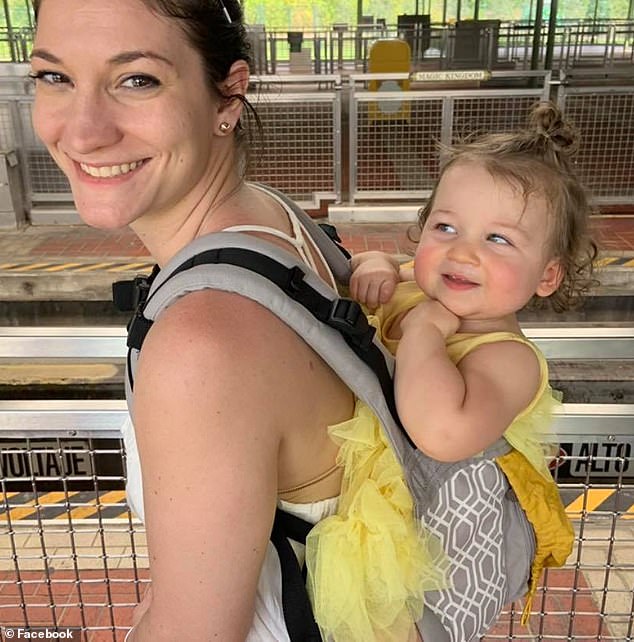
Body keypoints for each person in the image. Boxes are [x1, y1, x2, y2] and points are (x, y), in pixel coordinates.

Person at [28, 1, 361, 641]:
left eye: (137, 79)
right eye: (55, 77)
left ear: (228, 98)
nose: (85, 131)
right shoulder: (274, 219)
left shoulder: (201, 344)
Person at [344, 101, 595, 627]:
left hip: (424, 562)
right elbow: (384, 263)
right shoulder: (425, 281)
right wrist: (372, 264)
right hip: (360, 508)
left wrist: (424, 335)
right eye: (446, 228)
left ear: (546, 276)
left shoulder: (507, 359)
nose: (463, 253)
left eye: (498, 239)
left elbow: (442, 430)